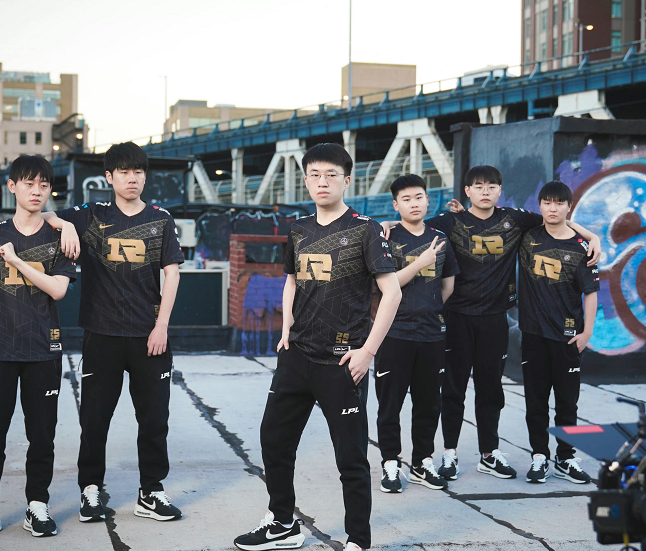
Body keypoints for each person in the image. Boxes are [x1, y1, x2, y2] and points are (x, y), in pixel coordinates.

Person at [233, 143, 401, 551]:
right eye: (314, 175)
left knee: (350, 458)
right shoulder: (299, 229)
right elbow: (291, 280)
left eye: (331, 175)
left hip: (343, 362)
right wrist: (286, 328)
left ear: (347, 180)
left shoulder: (365, 229)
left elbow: (392, 292)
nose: (322, 182)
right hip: (297, 356)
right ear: (306, 180)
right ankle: (282, 523)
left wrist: (367, 352)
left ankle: (358, 539)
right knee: (274, 440)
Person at [385, 165, 600, 482]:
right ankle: (449, 454)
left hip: (495, 319)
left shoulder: (515, 220)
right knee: (453, 390)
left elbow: (555, 219)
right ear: (467, 191)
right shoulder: (451, 222)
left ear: (500, 190)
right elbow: (412, 223)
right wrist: (387, 224)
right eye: (478, 186)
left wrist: (591, 236)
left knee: (490, 391)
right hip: (457, 318)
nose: (485, 191)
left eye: (491, 186)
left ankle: (489, 454)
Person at [42, 142, 184, 523]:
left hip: (149, 336)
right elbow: (44, 214)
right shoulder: (92, 215)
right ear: (109, 177)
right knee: (94, 418)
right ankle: (90, 489)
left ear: (145, 176)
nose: (131, 178)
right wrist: (66, 225)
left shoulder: (160, 219)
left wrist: (161, 326)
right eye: (123, 172)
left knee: (154, 420)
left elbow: (172, 274)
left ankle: (151, 491)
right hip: (102, 333)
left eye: (138, 172)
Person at [0, 155, 77, 541]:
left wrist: (17, 260)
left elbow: (58, 290)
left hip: (43, 349)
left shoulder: (60, 237)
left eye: (44, 184)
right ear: (12, 186)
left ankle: (37, 505)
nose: (37, 191)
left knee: (42, 435)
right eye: (29, 183)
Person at [375, 174, 458, 494]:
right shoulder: (386, 236)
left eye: (419, 197)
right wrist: (420, 263)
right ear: (396, 205)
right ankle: (390, 462)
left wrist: (431, 310)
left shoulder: (441, 239)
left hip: (431, 336)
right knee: (390, 405)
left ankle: (423, 461)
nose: (414, 204)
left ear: (427, 200)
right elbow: (387, 284)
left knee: (428, 405)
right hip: (394, 333)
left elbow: (448, 285)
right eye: (406, 199)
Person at [518, 181, 598, 484]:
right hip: (533, 335)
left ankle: (566, 458)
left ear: (569, 206)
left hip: (568, 337)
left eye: (559, 203)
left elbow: (591, 293)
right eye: (547, 203)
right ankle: (539, 457)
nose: (553, 208)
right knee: (535, 401)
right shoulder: (528, 236)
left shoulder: (581, 248)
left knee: (567, 402)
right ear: (540, 205)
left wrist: (587, 333)